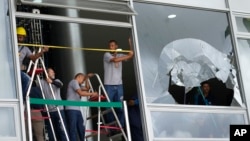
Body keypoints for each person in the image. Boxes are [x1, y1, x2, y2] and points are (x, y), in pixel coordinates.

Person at [103, 38, 134, 131]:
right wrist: (128, 56)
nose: (111, 47)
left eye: (112, 45)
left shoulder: (120, 54)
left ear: (116, 46)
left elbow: (131, 55)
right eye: (109, 46)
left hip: (119, 85)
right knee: (109, 107)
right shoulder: (106, 54)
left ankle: (120, 126)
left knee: (120, 107)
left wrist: (131, 44)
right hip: (109, 84)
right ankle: (112, 127)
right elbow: (116, 60)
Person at [17, 26, 49, 100]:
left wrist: (42, 51)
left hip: (17, 71)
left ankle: (22, 98)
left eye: (21, 37)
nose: (19, 39)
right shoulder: (9, 45)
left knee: (28, 80)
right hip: (8, 69)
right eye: (18, 37)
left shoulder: (25, 49)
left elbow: (33, 58)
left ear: (24, 38)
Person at [65, 73, 98, 141]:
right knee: (73, 128)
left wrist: (87, 78)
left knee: (81, 128)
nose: (83, 81)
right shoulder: (74, 82)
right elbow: (81, 93)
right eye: (83, 79)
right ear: (79, 77)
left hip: (76, 109)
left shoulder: (77, 84)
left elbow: (87, 88)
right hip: (71, 109)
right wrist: (92, 94)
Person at [39, 68, 68, 141]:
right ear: (47, 73)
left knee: (62, 130)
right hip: (49, 111)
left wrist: (51, 82)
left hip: (59, 109)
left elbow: (60, 85)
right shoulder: (41, 82)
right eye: (52, 72)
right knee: (51, 131)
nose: (54, 73)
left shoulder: (57, 81)